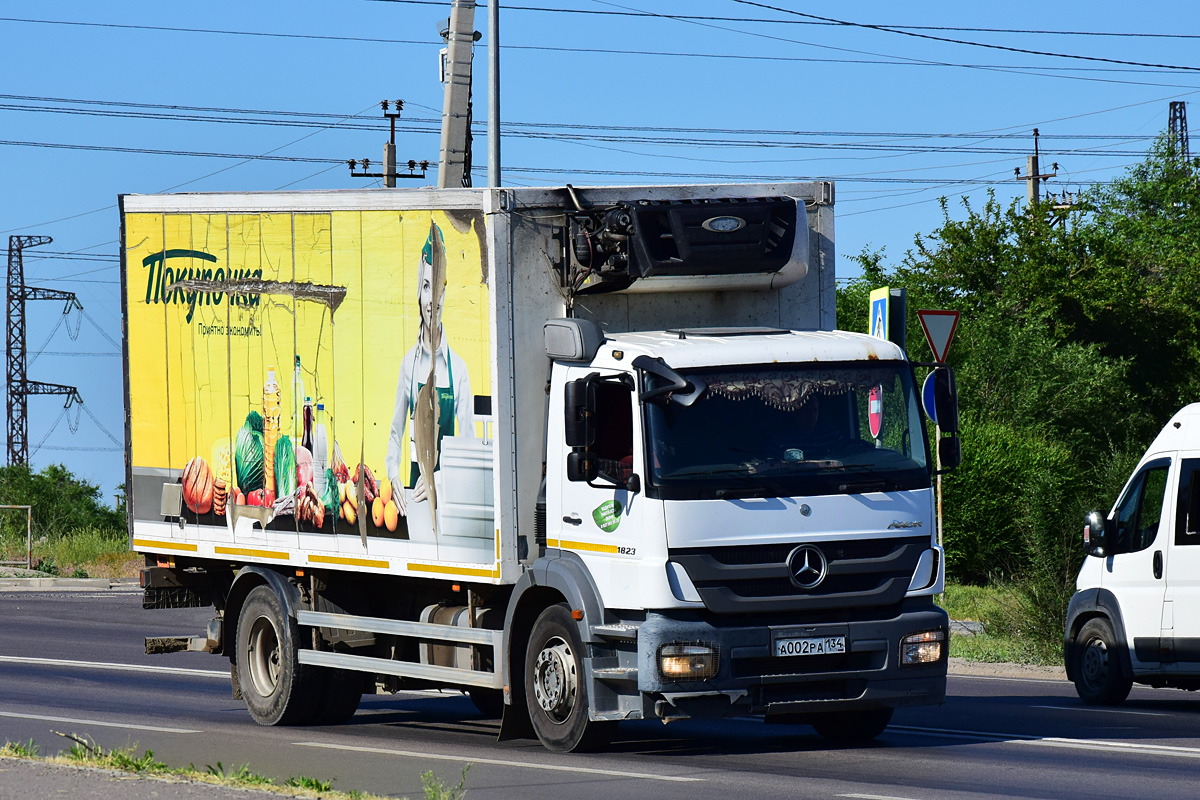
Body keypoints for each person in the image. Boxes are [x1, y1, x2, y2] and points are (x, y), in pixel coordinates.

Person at [385, 224, 474, 521]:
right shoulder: (408, 365)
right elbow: (396, 431)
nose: (431, 299)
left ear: (444, 293)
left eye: (436, 287)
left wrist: (442, 476)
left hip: (447, 494)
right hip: (415, 495)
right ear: (418, 292)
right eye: (425, 286)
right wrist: (394, 474)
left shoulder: (459, 370)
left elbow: (468, 444)